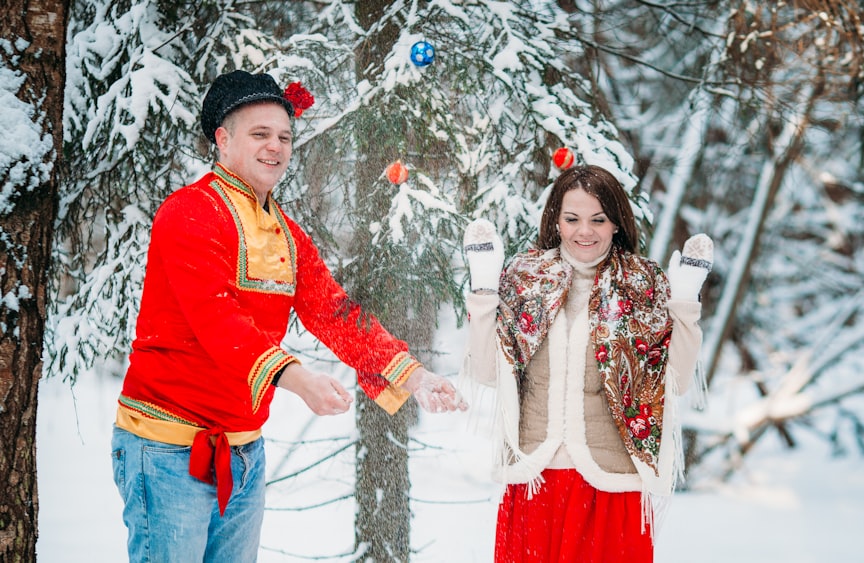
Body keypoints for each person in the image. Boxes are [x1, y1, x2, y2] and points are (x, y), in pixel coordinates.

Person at [111, 70, 466, 562]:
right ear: (223, 139)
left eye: (284, 137)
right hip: (167, 451)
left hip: (243, 452)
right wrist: (297, 378)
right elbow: (218, 320)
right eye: (260, 134)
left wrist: (411, 373)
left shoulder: (287, 233)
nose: (275, 147)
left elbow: (336, 312)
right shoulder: (188, 212)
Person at [461, 164, 712, 563]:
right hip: (536, 483)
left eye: (599, 219)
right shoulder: (525, 279)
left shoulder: (642, 284)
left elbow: (675, 382)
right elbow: (487, 372)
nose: (585, 231)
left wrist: (683, 304)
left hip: (612, 488)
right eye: (572, 218)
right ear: (556, 222)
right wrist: (485, 291)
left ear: (616, 224)